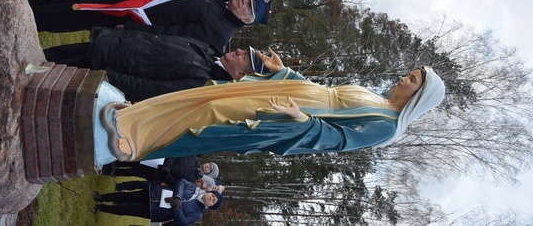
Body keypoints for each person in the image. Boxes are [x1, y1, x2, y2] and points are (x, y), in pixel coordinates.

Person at [101, 59, 446, 161]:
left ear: (419, 96)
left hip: (286, 111)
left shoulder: (386, 125)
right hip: (289, 93)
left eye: (411, 79)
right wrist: (286, 73)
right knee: (206, 100)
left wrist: (301, 118)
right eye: (409, 74)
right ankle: (133, 118)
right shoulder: (374, 97)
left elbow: (337, 140)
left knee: (213, 118)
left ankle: (137, 141)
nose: (403, 78)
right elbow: (323, 91)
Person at [28, 0, 271, 51]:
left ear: (247, 20)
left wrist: (136, 30)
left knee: (80, 14)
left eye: (249, 6)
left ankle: (33, 21)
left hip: (134, 16)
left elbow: (174, 36)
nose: (244, 0)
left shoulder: (219, 34)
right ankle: (35, 5)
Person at [42, 29, 273, 102]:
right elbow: (159, 38)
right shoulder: (210, 51)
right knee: (45, 57)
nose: (241, 51)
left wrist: (104, 78)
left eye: (245, 57)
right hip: (110, 47)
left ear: (240, 73)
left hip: (103, 68)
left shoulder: (202, 82)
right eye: (245, 51)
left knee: (45, 76)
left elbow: (149, 89)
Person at [94, 178, 222, 224]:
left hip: (156, 212)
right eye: (213, 196)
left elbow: (183, 222)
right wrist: (177, 197)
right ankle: (101, 197)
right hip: (155, 193)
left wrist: (176, 206)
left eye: (213, 201)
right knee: (126, 196)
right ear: (210, 192)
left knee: (126, 210)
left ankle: (102, 208)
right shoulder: (195, 187)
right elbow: (181, 182)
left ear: (210, 206)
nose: (211, 198)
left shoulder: (198, 214)